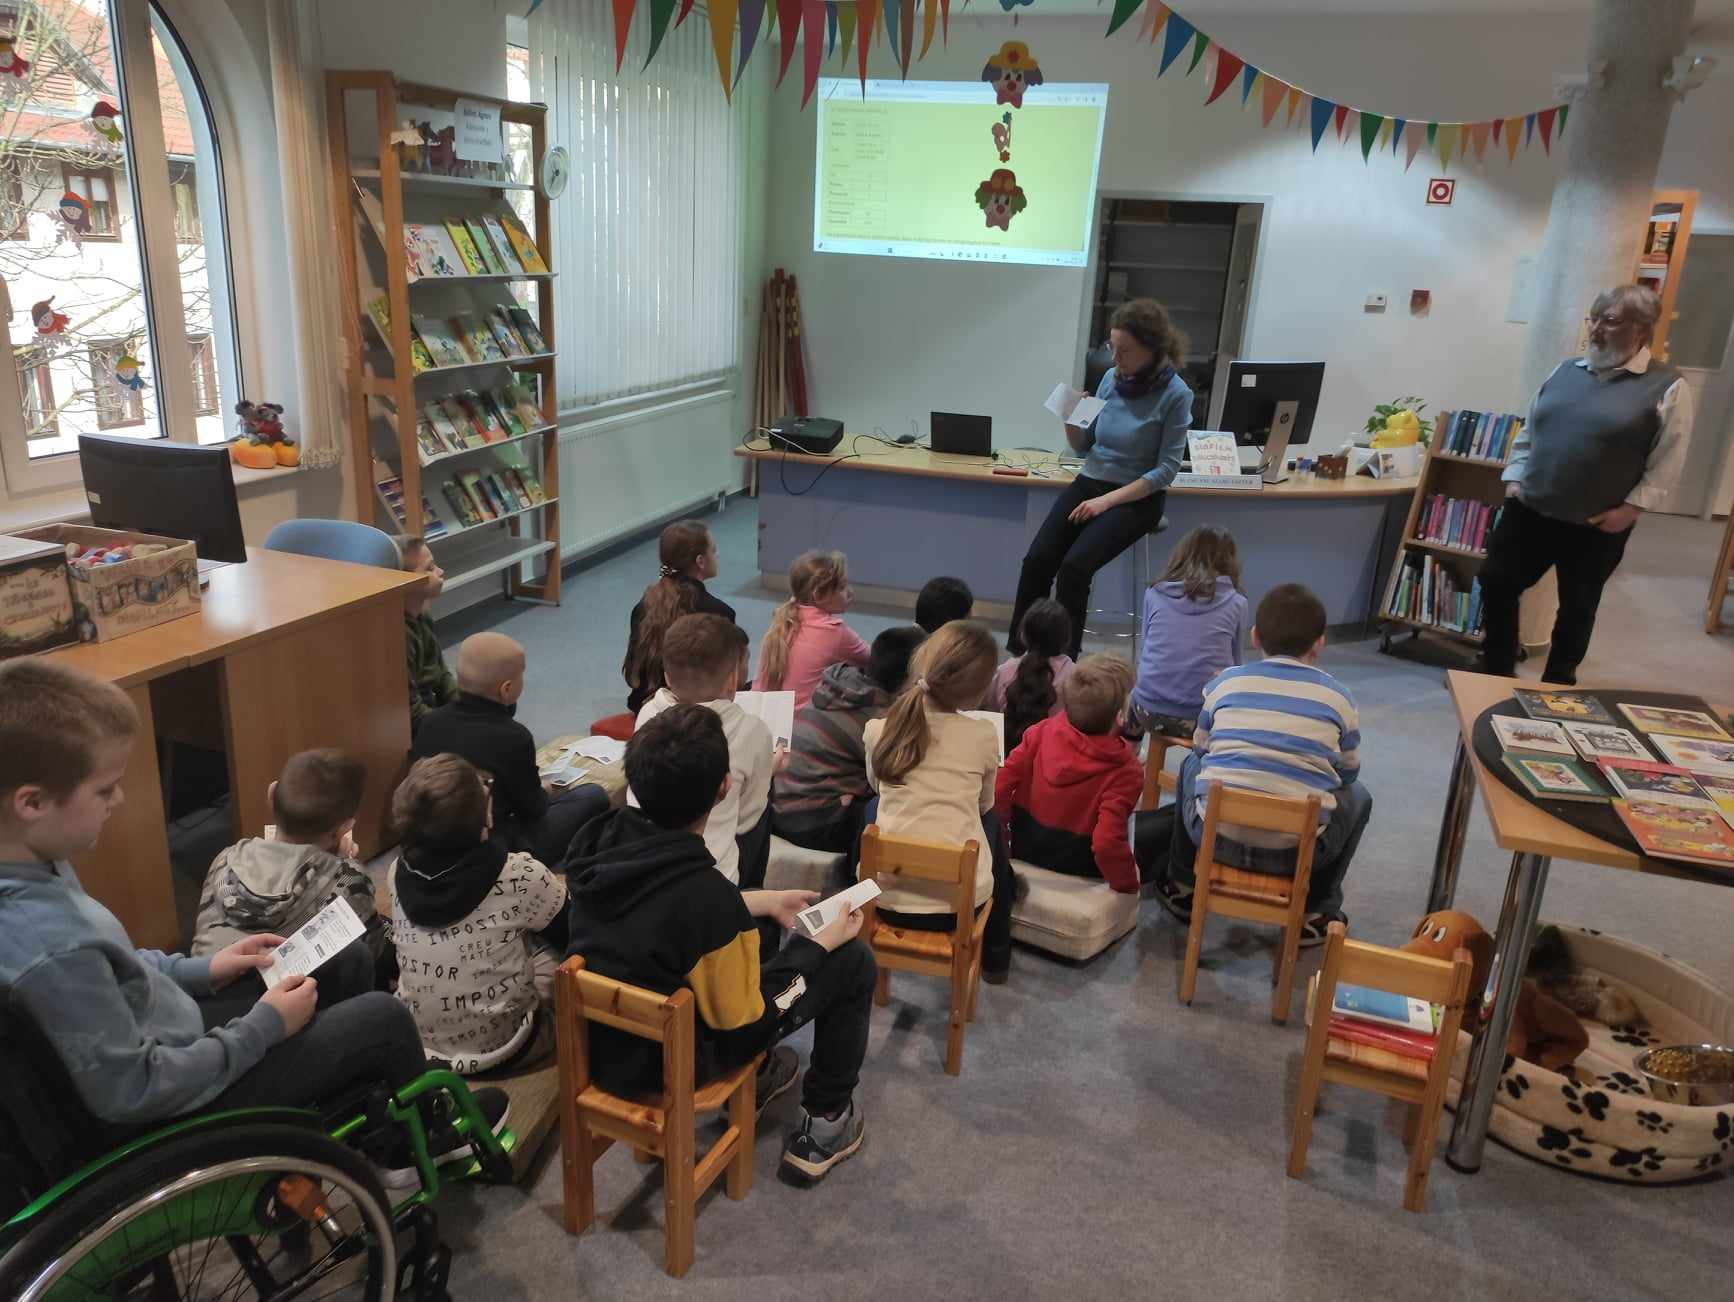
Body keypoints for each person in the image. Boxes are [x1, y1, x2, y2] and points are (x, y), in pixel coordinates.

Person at [0, 660, 505, 1187]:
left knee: (343, 956)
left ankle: (359, 1114)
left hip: (170, 1035)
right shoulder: (48, 945)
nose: (119, 800)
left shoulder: (35, 863)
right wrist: (264, 1027)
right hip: (168, 1109)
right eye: (105, 790)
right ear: (33, 803)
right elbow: (135, 1090)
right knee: (383, 1017)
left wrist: (202, 969)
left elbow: (121, 965)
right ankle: (403, 1152)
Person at [565, 705, 876, 1183]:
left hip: (606, 1050)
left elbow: (662, 913)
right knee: (850, 959)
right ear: (724, 787)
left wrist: (758, 901)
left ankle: (769, 1075)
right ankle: (827, 1119)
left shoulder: (598, 845)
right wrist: (815, 947)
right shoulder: (707, 897)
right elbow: (746, 1020)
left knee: (763, 934)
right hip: (674, 1065)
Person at [1476, 284, 1694, 686]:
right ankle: (1496, 668)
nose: (1595, 330)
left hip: (1597, 523)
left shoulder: (1667, 386)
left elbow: (1669, 460)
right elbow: (1530, 431)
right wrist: (1515, 478)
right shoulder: (1564, 372)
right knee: (1496, 580)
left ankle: (1558, 685)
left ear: (1642, 329)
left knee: (1577, 606)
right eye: (1593, 319)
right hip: (1530, 508)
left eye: (1609, 321)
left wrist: (1631, 510)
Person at [1156, 584, 1369, 945]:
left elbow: (1202, 748)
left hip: (1214, 836)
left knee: (1191, 764)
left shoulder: (1225, 683)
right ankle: (1317, 909)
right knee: (1359, 796)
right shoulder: (1340, 698)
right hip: (1297, 852)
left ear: (1254, 636)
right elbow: (1348, 773)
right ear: (1319, 644)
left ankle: (1181, 884)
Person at [1009, 299, 1193, 659]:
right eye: (1112, 347)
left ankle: (1064, 661)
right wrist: (1070, 418)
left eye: (1125, 350)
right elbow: (1084, 445)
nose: (1115, 357)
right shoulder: (1111, 378)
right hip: (1091, 482)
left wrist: (1105, 502)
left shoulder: (1176, 394)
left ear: (1153, 349)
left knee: (1074, 569)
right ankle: (1021, 656)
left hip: (1137, 497)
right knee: (1037, 562)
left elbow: (1166, 470)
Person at [391, 754, 567, 1075]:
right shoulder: (519, 874)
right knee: (557, 952)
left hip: (423, 1046)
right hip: (511, 1047)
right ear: (485, 816)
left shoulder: (394, 873)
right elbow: (572, 932)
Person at [863, 620, 1016, 982]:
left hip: (886, 900)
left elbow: (878, 786)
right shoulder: (983, 735)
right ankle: (997, 956)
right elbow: (984, 804)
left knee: (874, 808)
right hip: (959, 908)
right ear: (979, 690)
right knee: (989, 822)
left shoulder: (878, 729)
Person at [411, 631, 609, 868]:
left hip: (434, 839)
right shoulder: (514, 736)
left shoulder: (430, 722)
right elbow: (533, 810)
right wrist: (543, 790)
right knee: (593, 795)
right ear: (506, 689)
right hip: (495, 849)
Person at [191, 748, 383, 983]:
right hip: (277, 1001)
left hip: (201, 991)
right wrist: (345, 866)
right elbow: (370, 954)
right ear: (345, 828)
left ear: (271, 795)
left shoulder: (225, 858)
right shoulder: (350, 881)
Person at [634, 613, 774, 887]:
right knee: (765, 807)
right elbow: (747, 819)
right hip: (716, 873)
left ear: (666, 675)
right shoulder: (751, 730)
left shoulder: (648, 713)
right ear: (732, 681)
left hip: (646, 856)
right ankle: (752, 893)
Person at [771, 625, 928, 855]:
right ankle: (860, 875)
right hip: (814, 823)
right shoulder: (876, 718)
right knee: (899, 805)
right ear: (912, 677)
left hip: (784, 807)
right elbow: (898, 775)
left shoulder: (840, 687)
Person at [995, 655, 1143, 893]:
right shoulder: (1126, 770)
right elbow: (1106, 842)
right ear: (1119, 716)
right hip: (1082, 867)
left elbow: (999, 787)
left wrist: (1002, 844)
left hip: (1025, 850)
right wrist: (1127, 886)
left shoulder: (1039, 733)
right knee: (1161, 831)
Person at [1128, 524, 1248, 739]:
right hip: (1203, 719)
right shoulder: (1237, 602)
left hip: (1147, 711)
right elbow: (1236, 666)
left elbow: (1145, 653)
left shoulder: (1153, 593)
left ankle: (1130, 752)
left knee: (1131, 694)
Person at [623, 519, 735, 714]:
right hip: (693, 716)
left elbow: (633, 672)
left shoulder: (643, 606)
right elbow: (725, 683)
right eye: (713, 550)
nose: (717, 555)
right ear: (700, 561)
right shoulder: (719, 613)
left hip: (646, 708)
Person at [753, 550, 870, 710]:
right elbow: (873, 660)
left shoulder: (783, 620)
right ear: (819, 595)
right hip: (799, 723)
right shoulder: (834, 632)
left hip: (761, 715)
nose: (850, 592)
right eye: (842, 587)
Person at [992, 598, 1074, 752]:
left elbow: (992, 713)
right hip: (1053, 757)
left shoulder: (1004, 670)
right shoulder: (1075, 677)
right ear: (1066, 638)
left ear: (1023, 634)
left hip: (1006, 752)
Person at [398, 535, 455, 734]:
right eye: (430, 568)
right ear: (405, 581)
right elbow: (412, 714)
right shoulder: (400, 636)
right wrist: (460, 725)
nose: (440, 571)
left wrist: (471, 708)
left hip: (430, 712)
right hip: (418, 726)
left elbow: (441, 676)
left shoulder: (423, 615)